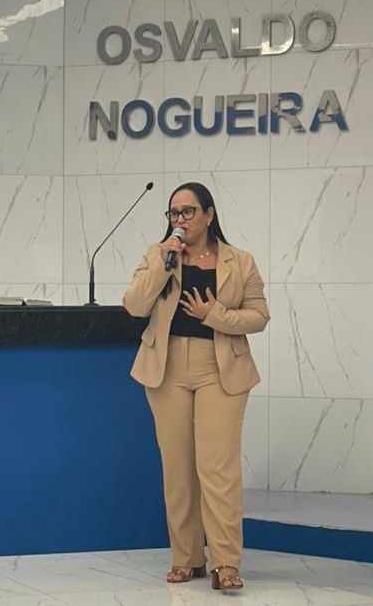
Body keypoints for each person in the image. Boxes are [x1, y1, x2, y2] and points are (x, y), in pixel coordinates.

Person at [122, 181, 269, 592]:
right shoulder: (158, 255)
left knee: (217, 467)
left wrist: (214, 314)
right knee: (178, 468)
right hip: (167, 366)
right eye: (174, 213)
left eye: (188, 212)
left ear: (208, 214)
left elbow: (259, 316)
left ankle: (226, 562)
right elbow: (135, 305)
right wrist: (163, 264)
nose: (180, 220)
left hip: (219, 367)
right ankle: (186, 558)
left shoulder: (240, 261)